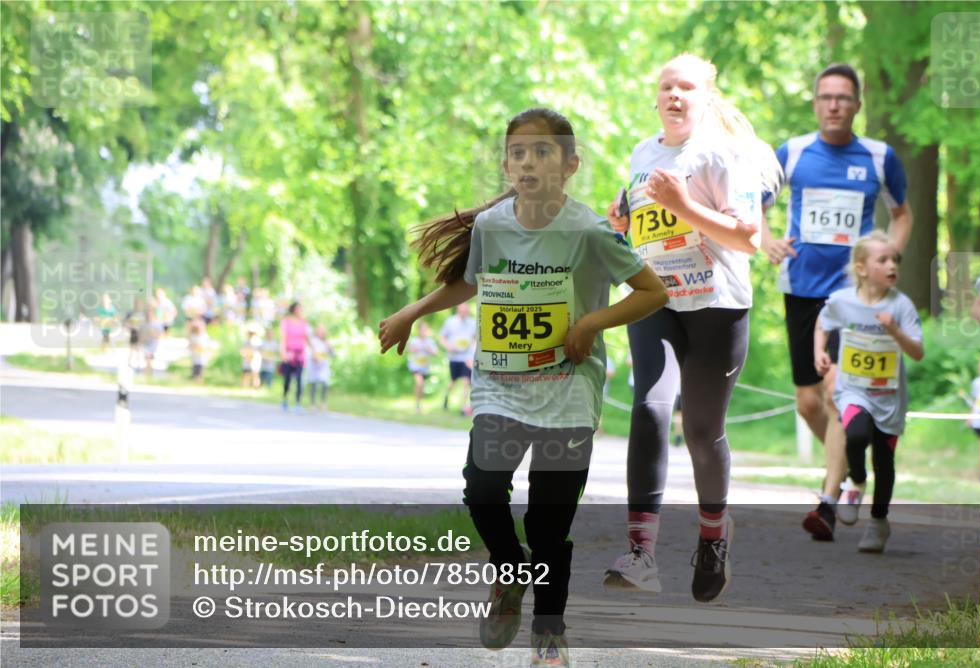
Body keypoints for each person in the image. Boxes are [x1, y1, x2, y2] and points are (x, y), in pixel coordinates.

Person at [378, 108, 667, 667]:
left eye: (542, 152)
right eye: (518, 152)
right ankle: (511, 577)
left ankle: (550, 635)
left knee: (548, 523)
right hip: (501, 387)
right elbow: (469, 282)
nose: (528, 162)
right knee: (483, 491)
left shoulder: (588, 231)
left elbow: (651, 293)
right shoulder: (492, 227)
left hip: (568, 391)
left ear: (569, 165)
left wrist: (588, 324)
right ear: (506, 164)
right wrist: (412, 312)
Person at [603, 53, 779, 602]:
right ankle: (641, 553)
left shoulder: (727, 155)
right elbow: (646, 221)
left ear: (706, 99)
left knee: (702, 433)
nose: (675, 95)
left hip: (716, 304)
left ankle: (713, 534)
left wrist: (682, 204)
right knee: (651, 407)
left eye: (687, 88)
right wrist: (626, 217)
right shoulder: (641, 153)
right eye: (666, 87)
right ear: (655, 99)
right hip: (656, 298)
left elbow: (747, 239)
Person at [760, 63, 914, 541]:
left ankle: (827, 503)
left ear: (857, 104)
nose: (834, 105)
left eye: (843, 98)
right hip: (802, 289)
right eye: (826, 97)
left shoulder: (879, 156)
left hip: (854, 297)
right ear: (815, 102)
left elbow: (902, 213)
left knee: (834, 391)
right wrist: (765, 239)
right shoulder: (794, 152)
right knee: (810, 401)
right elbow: (756, 203)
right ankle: (852, 471)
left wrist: (886, 258)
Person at [813, 231, 923, 553]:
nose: (893, 265)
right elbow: (823, 322)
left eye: (895, 260)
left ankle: (878, 522)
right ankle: (856, 480)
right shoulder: (843, 301)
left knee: (884, 461)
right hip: (853, 390)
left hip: (888, 397)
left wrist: (894, 330)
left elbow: (917, 352)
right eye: (883, 260)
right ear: (861, 269)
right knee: (856, 433)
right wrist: (820, 352)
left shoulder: (901, 306)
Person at [439, 302, 476, 416]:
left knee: (466, 381)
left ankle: (463, 408)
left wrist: (473, 351)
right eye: (462, 311)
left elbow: (476, 338)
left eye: (466, 311)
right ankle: (446, 397)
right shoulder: (450, 322)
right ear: (458, 310)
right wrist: (448, 346)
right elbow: (442, 337)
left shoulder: (473, 323)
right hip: (454, 357)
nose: (464, 313)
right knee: (453, 381)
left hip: (467, 358)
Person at [280, 301, 309, 412]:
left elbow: (307, 338)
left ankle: (297, 403)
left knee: (300, 379)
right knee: (287, 379)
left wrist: (313, 351)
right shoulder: (286, 322)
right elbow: (283, 338)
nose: (300, 311)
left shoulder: (303, 322)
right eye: (298, 309)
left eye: (301, 309)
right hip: (289, 353)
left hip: (300, 354)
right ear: (293, 310)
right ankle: (285, 399)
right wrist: (283, 352)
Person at [407, 321, 438, 413]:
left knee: (422, 386)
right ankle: (417, 405)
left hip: (425, 367)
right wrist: (416, 348)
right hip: (415, 366)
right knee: (419, 383)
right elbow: (409, 350)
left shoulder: (430, 341)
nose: (424, 331)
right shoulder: (414, 340)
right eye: (422, 330)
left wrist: (429, 349)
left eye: (425, 329)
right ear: (418, 330)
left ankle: (419, 403)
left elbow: (435, 353)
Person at [306, 324, 333, 411]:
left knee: (325, 384)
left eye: (323, 331)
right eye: (320, 331)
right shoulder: (313, 341)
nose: (321, 333)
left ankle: (323, 403)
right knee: (313, 385)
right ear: (317, 332)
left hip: (324, 366)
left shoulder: (327, 342)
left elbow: (332, 354)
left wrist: (330, 348)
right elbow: (308, 352)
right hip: (314, 366)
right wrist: (313, 356)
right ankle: (312, 404)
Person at [188, 317, 210, 383]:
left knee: (200, 371)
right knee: (195, 370)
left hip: (201, 357)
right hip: (195, 356)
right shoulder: (193, 336)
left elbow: (204, 347)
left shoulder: (204, 336)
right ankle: (195, 381)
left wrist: (197, 347)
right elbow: (190, 345)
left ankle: (199, 381)